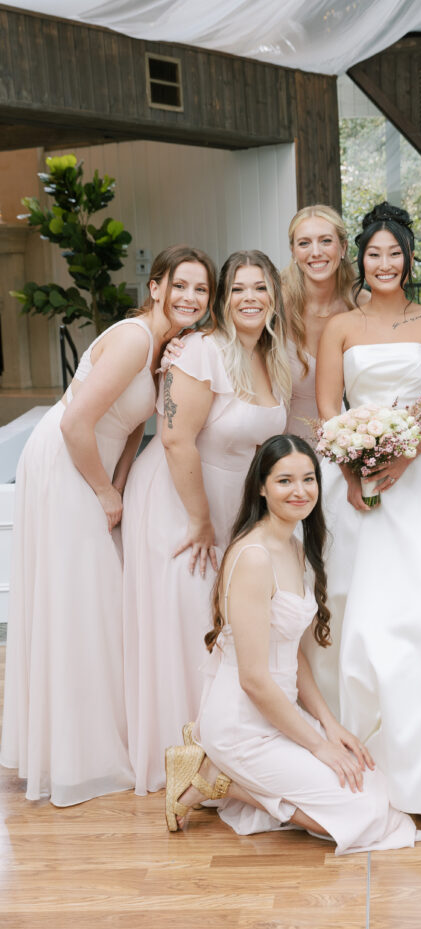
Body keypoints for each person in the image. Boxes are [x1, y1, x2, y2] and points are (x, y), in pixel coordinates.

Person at [0, 245, 216, 805]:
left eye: (202, 290)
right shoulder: (134, 338)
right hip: (69, 462)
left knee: (94, 599)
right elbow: (77, 421)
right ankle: (77, 755)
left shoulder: (169, 345)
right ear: (156, 287)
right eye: (181, 285)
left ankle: (84, 739)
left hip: (94, 460)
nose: (191, 297)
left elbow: (132, 430)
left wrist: (120, 485)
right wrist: (102, 490)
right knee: (80, 601)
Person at [164, 434, 421, 854]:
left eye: (309, 479)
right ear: (261, 487)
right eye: (285, 480)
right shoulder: (253, 558)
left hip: (279, 715)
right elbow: (253, 680)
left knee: (377, 788)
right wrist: (317, 745)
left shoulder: (294, 547)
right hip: (242, 725)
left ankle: (220, 778)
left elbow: (293, 653)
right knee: (365, 816)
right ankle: (212, 777)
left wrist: (331, 726)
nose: (300, 491)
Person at [312, 202, 421, 816]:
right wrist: (356, 468)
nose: (385, 263)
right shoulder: (341, 326)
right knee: (352, 602)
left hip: (420, 473)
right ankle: (354, 748)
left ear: (410, 259)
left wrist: (404, 459)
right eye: (374, 253)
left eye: (396, 253)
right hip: (351, 477)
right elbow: (330, 405)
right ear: (363, 259)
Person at [122, 250, 289, 795]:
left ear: (274, 298)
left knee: (221, 623)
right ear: (224, 298)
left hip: (232, 503)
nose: (249, 298)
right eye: (238, 288)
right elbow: (173, 438)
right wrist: (200, 521)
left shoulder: (272, 353)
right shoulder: (199, 351)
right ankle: (183, 758)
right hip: (181, 497)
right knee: (189, 619)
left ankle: (222, 753)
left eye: (260, 288)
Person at [282, 205, 364, 442]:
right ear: (293, 252)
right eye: (304, 243)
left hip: (347, 443)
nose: (315, 252)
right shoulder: (273, 305)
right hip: (285, 446)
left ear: (343, 247)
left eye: (326, 241)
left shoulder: (362, 306)